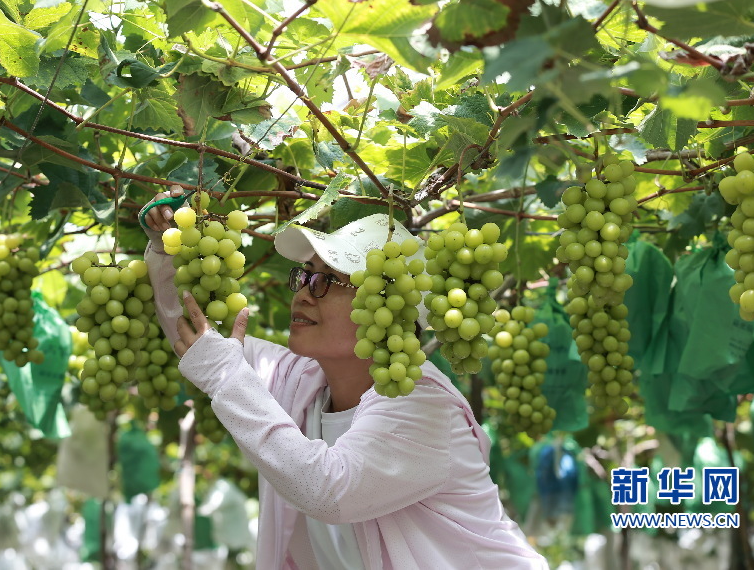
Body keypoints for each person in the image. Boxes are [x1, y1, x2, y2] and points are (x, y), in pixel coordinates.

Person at [141, 189, 549, 570]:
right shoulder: (301, 382)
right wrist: (167, 246)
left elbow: (328, 489)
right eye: (303, 276)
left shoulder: (423, 405)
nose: (301, 293)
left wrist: (224, 373)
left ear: (384, 306)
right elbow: (200, 339)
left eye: (324, 281)